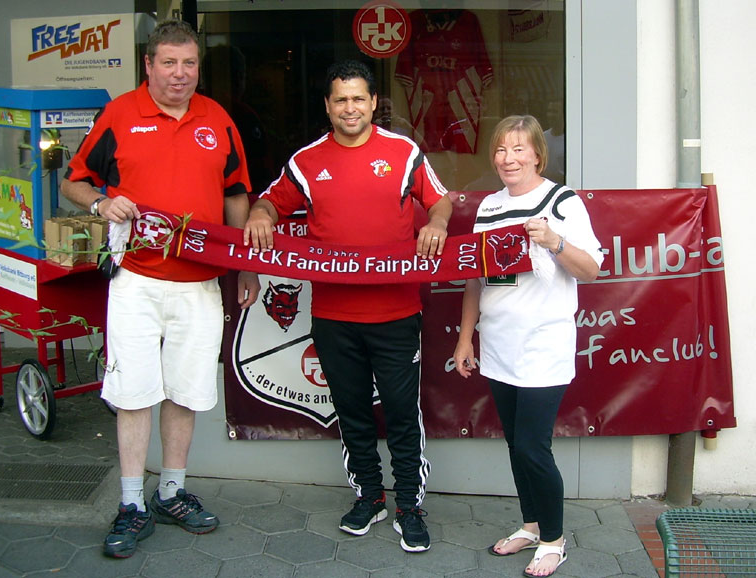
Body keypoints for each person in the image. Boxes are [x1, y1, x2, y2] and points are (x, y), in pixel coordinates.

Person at [60, 19, 259, 559]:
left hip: (200, 286)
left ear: (199, 66)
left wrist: (245, 266)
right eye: (168, 63)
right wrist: (101, 204)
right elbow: (71, 181)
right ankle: (131, 502)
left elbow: (237, 193)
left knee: (185, 391)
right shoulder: (120, 114)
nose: (180, 74)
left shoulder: (217, 119)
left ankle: (171, 490)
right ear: (149, 65)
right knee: (134, 392)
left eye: (189, 63)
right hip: (138, 282)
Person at [243, 59, 452, 553]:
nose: (350, 108)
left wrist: (437, 223)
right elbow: (272, 203)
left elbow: (440, 200)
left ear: (374, 102)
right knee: (352, 411)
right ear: (328, 106)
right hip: (334, 316)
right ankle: (368, 497)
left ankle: (409, 505)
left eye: (359, 98)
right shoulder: (307, 161)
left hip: (397, 312)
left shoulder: (403, 152)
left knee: (401, 412)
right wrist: (258, 212)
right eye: (341, 99)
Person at [452, 115, 602, 577]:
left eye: (519, 149)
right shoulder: (489, 207)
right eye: (500, 149)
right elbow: (476, 281)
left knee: (534, 448)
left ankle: (555, 541)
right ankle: (533, 525)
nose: (508, 158)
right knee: (516, 444)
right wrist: (465, 338)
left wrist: (554, 241)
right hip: (498, 345)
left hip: (543, 345)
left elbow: (591, 269)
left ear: (538, 153)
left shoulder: (562, 201)